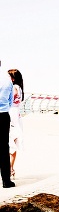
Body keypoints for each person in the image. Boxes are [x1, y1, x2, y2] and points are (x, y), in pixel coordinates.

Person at [7, 71, 23, 181]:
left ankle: (10, 169)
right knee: (14, 143)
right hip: (17, 115)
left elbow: (10, 99)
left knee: (11, 143)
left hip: (11, 115)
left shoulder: (14, 87)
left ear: (13, 78)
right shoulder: (20, 87)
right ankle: (11, 169)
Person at [0, 60, 13, 188]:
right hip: (3, 115)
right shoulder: (7, 81)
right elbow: (10, 101)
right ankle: (6, 180)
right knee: (3, 148)